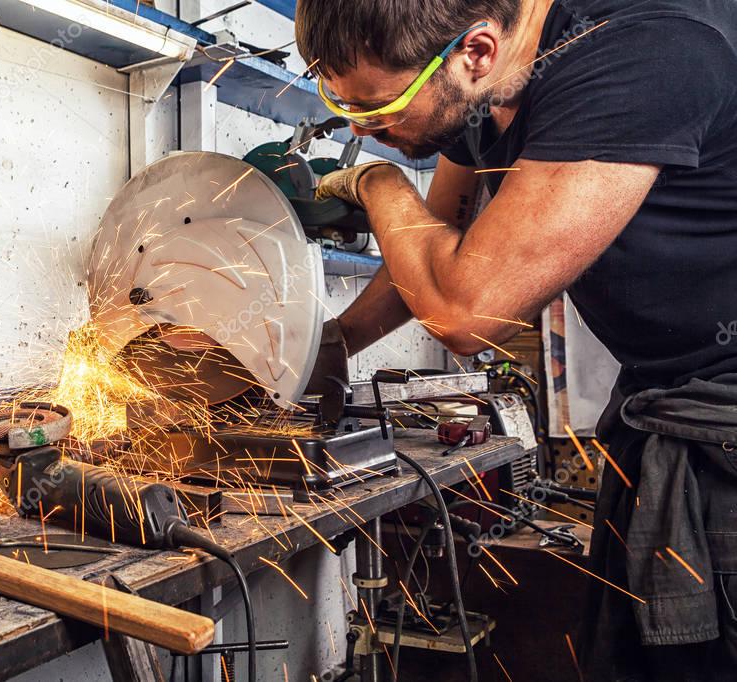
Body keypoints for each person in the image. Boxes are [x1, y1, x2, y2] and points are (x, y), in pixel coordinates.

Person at [294, 0, 737, 679]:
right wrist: (320, 348)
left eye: (379, 111)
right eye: (343, 105)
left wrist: (374, 183)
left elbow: (466, 311)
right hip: (661, 399)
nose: (365, 129)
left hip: (721, 434)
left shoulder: (640, 58)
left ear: (474, 52)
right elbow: (432, 253)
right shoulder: (484, 89)